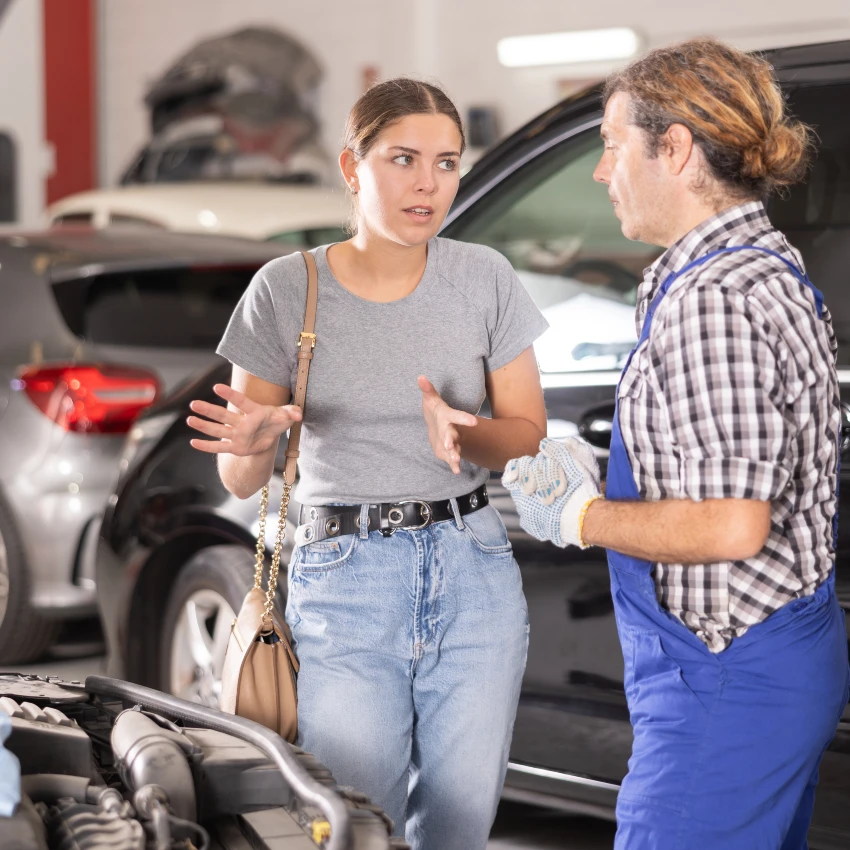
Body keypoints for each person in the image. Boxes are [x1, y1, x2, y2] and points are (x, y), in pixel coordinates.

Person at [504, 38, 850, 850]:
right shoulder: (764, 266)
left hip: (727, 678)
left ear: (677, 149)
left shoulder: (713, 301)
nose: (602, 171)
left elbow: (731, 524)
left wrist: (581, 516)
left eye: (612, 145)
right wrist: (605, 474)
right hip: (775, 653)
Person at [186, 78, 549, 850]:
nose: (429, 183)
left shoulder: (484, 277)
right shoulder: (286, 289)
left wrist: (465, 432)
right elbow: (240, 481)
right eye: (403, 159)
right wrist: (252, 444)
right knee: (356, 822)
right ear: (353, 168)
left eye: (447, 163)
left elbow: (525, 437)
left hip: (473, 569)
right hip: (344, 580)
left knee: (459, 828)